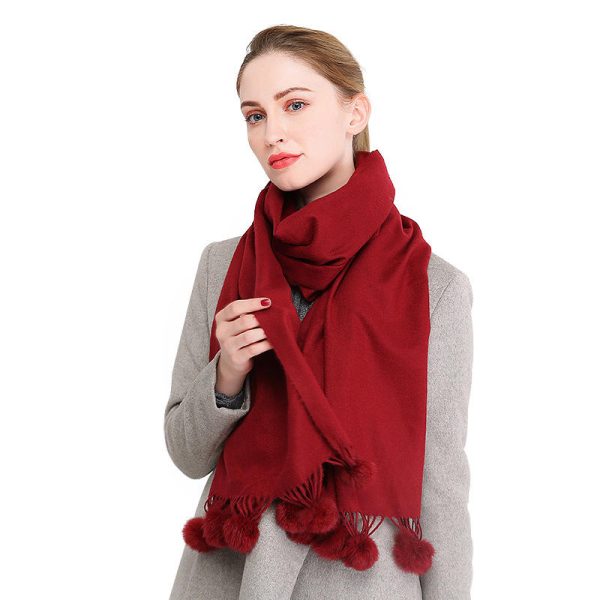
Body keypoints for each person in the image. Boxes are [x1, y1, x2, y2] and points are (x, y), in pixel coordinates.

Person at [164, 25, 474, 600]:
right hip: (232, 576)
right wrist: (227, 374)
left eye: (295, 105)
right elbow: (186, 453)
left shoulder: (434, 287)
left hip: (361, 578)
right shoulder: (222, 265)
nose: (272, 133)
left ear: (355, 113)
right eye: (255, 115)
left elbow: (441, 484)